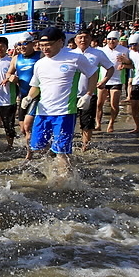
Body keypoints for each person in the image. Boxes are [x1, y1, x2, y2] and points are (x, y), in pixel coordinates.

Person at [22, 27, 98, 181]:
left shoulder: (74, 58)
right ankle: (52, 174)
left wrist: (88, 95)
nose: (45, 48)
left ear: (60, 42)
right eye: (42, 45)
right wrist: (29, 98)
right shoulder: (40, 63)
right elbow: (36, 85)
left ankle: (66, 183)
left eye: (48, 45)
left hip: (64, 113)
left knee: (62, 151)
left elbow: (93, 73)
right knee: (38, 148)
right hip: (42, 112)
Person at [71, 29, 114, 151]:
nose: (83, 40)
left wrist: (104, 81)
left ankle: (85, 146)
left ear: (90, 39)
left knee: (87, 122)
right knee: (70, 121)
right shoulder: (71, 54)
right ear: (75, 40)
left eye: (86, 37)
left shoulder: (97, 53)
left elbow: (110, 68)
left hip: (89, 94)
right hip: (71, 94)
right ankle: (69, 144)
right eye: (80, 37)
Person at [4, 32, 41, 159]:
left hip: (37, 95)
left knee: (27, 125)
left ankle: (29, 155)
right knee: (23, 129)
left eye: (25, 43)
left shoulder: (40, 56)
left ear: (32, 43)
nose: (22, 47)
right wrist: (11, 78)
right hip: (22, 96)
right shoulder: (16, 59)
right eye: (19, 44)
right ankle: (40, 147)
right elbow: (8, 73)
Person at [97, 31, 129, 132]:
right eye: (109, 39)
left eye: (114, 39)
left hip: (117, 80)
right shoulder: (101, 50)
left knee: (114, 104)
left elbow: (131, 65)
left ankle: (111, 123)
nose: (112, 41)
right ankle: (98, 123)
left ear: (118, 40)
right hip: (103, 80)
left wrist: (125, 62)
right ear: (106, 40)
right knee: (99, 104)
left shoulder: (124, 50)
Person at [117, 33, 139, 133]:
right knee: (134, 105)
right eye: (130, 45)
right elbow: (133, 66)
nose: (132, 47)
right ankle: (138, 127)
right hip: (137, 80)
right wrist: (125, 64)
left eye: (134, 45)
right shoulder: (130, 52)